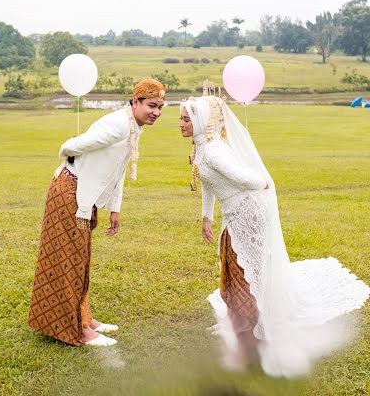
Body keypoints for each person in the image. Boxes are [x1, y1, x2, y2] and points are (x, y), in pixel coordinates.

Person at [179, 90, 369, 377]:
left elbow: (246, 179)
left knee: (244, 272)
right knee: (232, 266)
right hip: (234, 211)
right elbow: (208, 182)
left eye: (185, 119)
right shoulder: (204, 146)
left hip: (247, 211)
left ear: (201, 120)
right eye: (180, 118)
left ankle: (252, 341)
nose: (180, 124)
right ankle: (242, 325)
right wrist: (206, 217)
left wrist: (265, 185)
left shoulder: (214, 151)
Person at [29, 78, 166, 346]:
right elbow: (73, 146)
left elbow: (118, 169)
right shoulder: (118, 126)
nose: (156, 113)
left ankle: (84, 318)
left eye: (160, 107)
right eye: (151, 105)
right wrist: (68, 152)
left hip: (81, 194)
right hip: (70, 192)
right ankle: (79, 330)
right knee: (70, 259)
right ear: (135, 101)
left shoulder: (132, 126)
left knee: (81, 258)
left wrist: (115, 208)